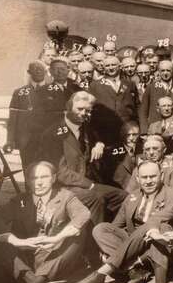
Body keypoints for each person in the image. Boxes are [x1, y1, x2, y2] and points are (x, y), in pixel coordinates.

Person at [59, 159, 173, 283]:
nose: (148, 181)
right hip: (131, 245)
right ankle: (133, 268)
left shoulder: (172, 196)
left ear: (161, 175)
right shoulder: (133, 196)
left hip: (156, 247)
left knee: (150, 225)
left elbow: (169, 231)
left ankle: (100, 275)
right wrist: (105, 250)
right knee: (100, 229)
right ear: (137, 178)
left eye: (153, 176)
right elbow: (116, 226)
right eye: (144, 177)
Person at [0, 161, 90, 283]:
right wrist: (17, 241)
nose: (38, 182)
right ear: (28, 180)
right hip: (26, 260)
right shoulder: (20, 200)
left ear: (53, 178)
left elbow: (83, 214)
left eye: (44, 177)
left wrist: (56, 238)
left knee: (79, 234)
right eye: (33, 178)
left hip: (54, 257)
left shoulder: (65, 197)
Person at [37, 91, 126, 223]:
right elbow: (60, 173)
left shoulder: (86, 128)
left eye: (87, 110)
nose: (83, 113)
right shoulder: (52, 134)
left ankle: (107, 231)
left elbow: (96, 140)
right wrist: (89, 185)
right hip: (62, 186)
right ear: (68, 108)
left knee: (122, 196)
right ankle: (92, 239)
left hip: (85, 183)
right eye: (79, 109)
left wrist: (99, 144)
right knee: (96, 198)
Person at [4, 61, 49, 166]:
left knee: (47, 171)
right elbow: (13, 119)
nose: (38, 71)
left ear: (45, 71)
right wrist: (10, 141)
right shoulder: (19, 93)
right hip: (26, 142)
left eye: (41, 69)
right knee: (28, 171)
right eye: (34, 69)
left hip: (47, 140)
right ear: (29, 72)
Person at [89, 55, 137, 146]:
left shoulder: (130, 84)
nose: (111, 68)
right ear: (103, 68)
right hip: (105, 130)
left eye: (113, 65)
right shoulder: (95, 85)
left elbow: (136, 106)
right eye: (107, 65)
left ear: (119, 66)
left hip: (127, 128)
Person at [139, 59, 173, 133]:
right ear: (158, 72)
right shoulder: (151, 87)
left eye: (168, 70)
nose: (165, 73)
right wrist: (144, 131)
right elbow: (143, 111)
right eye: (162, 71)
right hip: (155, 128)